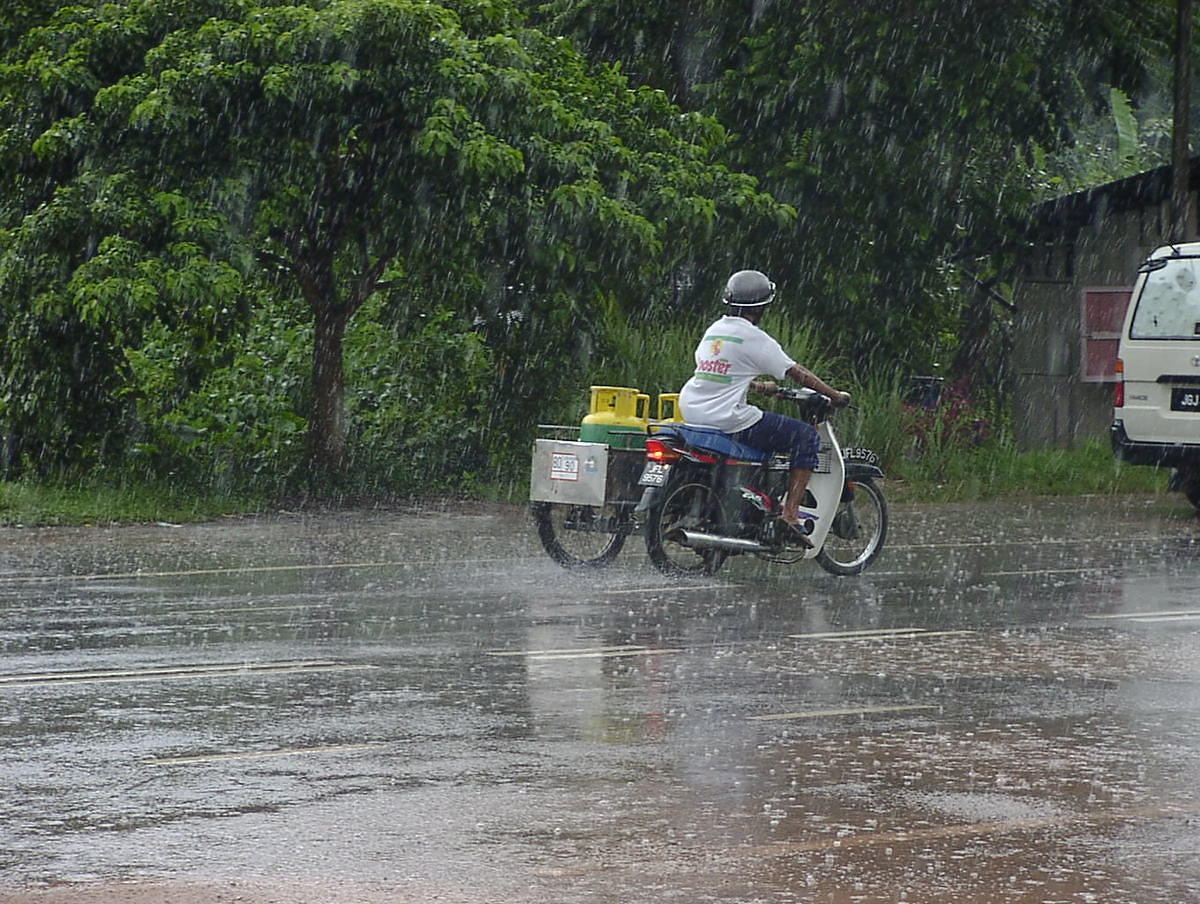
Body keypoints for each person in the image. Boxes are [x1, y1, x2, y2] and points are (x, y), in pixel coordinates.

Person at [678, 269, 851, 543]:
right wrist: (834, 395)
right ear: (761, 306)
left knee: (765, 433)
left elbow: (720, 371)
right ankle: (791, 516)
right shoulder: (753, 337)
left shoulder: (715, 331)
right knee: (805, 436)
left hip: (692, 409)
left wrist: (757, 387)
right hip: (727, 418)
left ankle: (755, 499)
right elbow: (799, 373)